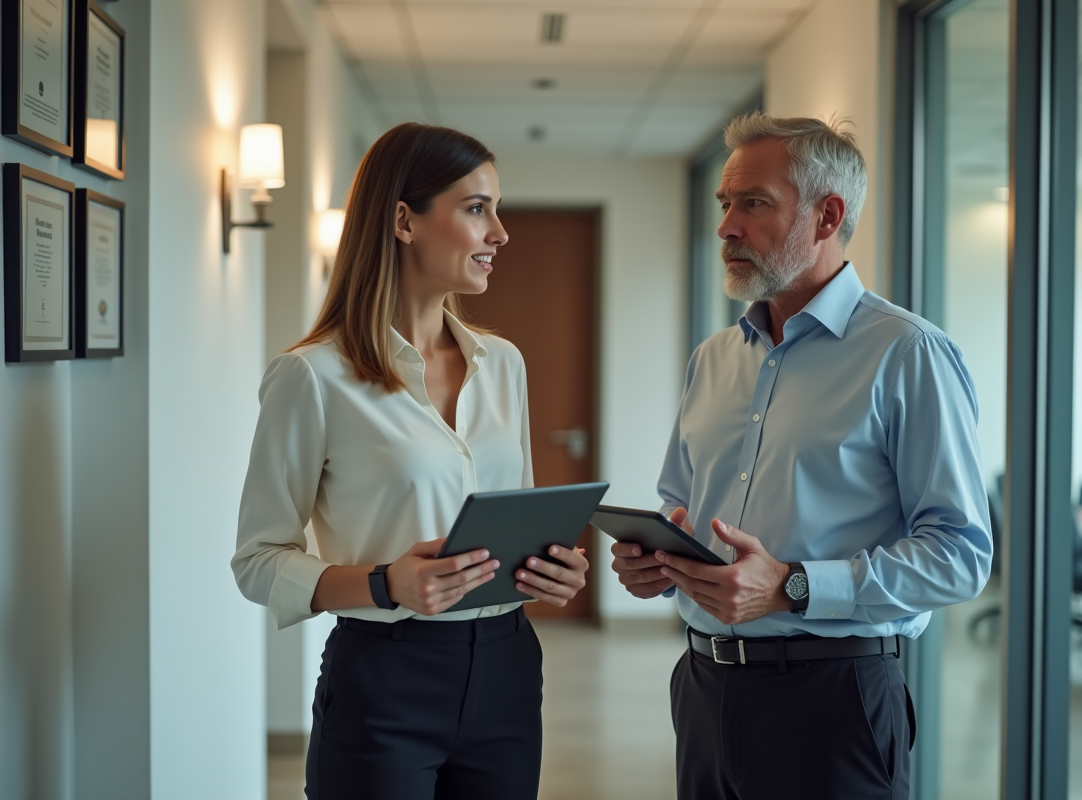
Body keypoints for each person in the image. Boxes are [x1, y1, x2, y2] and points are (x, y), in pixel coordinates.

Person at [611, 112, 993, 799]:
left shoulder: (908, 354)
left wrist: (792, 584)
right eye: (725, 204)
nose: (727, 226)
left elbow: (959, 556)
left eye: (753, 203)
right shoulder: (715, 358)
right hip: (703, 688)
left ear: (827, 215)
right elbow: (682, 505)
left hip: (834, 698)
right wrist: (659, 564)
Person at [231, 123, 590, 800]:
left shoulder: (503, 364)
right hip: (384, 679)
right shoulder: (312, 377)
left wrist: (550, 567)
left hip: (509, 669)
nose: (500, 233)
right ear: (403, 220)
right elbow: (257, 562)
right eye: (477, 208)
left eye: (497, 209)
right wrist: (385, 585)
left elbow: (516, 518)